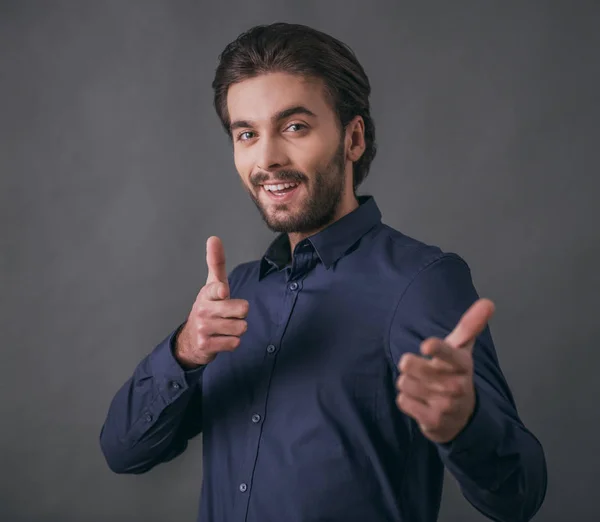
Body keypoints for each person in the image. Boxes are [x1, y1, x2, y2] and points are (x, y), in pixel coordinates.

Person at [100, 22, 547, 522]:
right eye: (246, 134)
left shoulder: (420, 282)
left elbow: (519, 496)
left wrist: (465, 423)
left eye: (294, 127)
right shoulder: (233, 294)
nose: (266, 158)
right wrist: (184, 352)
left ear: (353, 138)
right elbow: (123, 451)